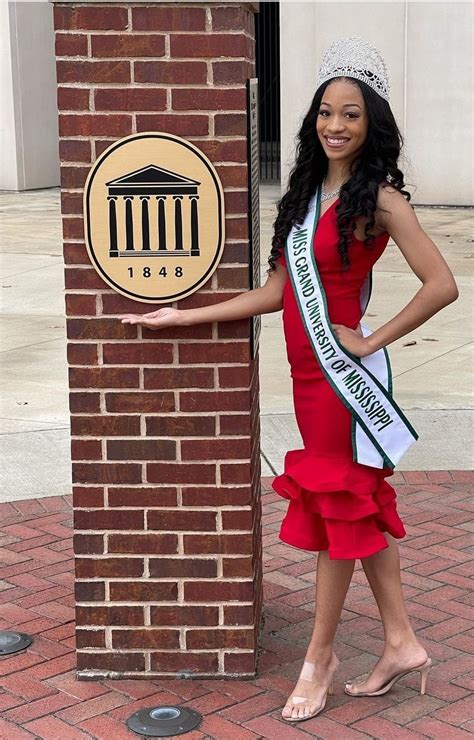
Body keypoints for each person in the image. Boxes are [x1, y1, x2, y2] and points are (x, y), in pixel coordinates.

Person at [118, 36, 458, 725]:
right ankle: (400, 642)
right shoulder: (305, 194)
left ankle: (319, 656)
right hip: (307, 378)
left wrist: (370, 337)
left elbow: (442, 284)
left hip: (344, 380)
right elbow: (278, 291)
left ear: (373, 126)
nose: (336, 125)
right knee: (353, 505)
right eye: (327, 113)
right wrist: (185, 315)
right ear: (313, 121)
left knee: (336, 515)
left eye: (352, 115)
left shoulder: (383, 200)